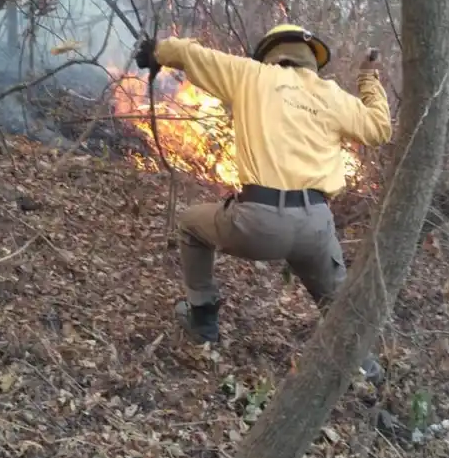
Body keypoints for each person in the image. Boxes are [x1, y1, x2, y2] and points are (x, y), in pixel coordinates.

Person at [136, 24, 392, 382]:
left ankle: (203, 320)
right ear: (311, 59)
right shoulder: (332, 96)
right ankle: (367, 370)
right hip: (316, 225)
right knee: (336, 303)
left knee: (191, 224)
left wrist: (157, 52)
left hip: (259, 223)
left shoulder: (250, 75)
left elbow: (191, 54)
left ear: (270, 51)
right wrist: (369, 78)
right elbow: (380, 128)